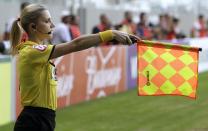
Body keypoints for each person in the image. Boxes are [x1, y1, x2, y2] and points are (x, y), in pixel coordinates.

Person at [10, 4, 140, 131]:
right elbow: (75, 44)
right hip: (34, 121)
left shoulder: (36, 52)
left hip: (42, 119)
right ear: (33, 27)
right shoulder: (32, 51)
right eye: (47, 21)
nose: (53, 25)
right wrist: (110, 34)